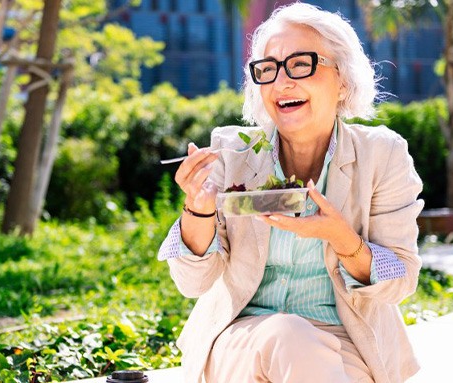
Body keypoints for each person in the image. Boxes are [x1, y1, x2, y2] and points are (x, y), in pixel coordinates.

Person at [157, 2, 424, 383]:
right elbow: (193, 283)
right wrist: (197, 212)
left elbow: (400, 282)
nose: (282, 82)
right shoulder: (233, 155)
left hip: (346, 343)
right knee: (287, 335)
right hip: (241, 338)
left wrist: (341, 239)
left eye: (301, 64)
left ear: (343, 79)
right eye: (268, 69)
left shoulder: (383, 155)